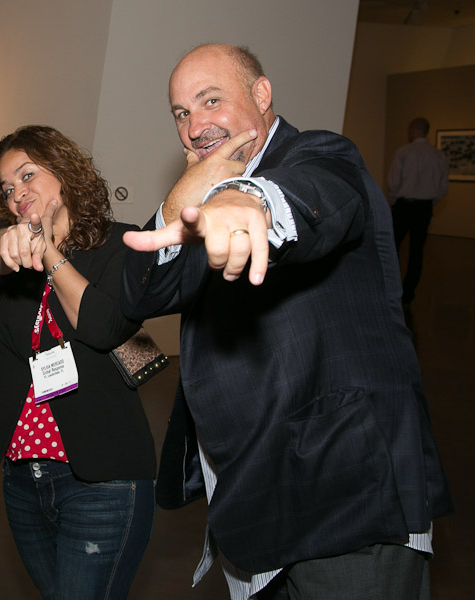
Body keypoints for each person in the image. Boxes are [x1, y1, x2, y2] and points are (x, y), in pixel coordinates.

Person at [121, 44, 452, 600]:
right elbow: (139, 292)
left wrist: (245, 199)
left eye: (210, 100)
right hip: (255, 500)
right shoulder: (202, 203)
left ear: (261, 94)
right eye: (181, 113)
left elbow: (314, 195)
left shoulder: (319, 154)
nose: (195, 125)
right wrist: (188, 194)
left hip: (348, 496)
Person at [0, 125, 157, 599]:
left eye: (27, 175)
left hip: (102, 478)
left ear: (63, 170)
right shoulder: (11, 247)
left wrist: (50, 249)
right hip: (23, 476)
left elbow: (101, 326)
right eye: (6, 188)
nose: (17, 193)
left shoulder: (122, 244)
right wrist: (10, 242)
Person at [388, 117, 449, 307]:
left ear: (413, 130)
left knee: (392, 248)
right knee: (417, 252)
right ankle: (407, 295)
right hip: (424, 208)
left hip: (404, 206)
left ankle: (390, 289)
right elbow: (442, 188)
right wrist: (428, 203)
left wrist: (393, 202)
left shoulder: (403, 152)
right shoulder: (438, 155)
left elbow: (394, 183)